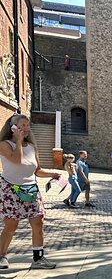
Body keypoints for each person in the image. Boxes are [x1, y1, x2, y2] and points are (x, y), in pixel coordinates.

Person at [0, 114, 61, 269]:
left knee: (38, 222)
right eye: (22, 125)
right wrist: (19, 141)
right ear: (13, 127)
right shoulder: (4, 144)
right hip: (11, 189)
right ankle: (1, 255)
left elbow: (37, 170)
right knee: (11, 225)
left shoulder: (32, 147)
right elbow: (16, 160)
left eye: (27, 125)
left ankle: (38, 258)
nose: (26, 128)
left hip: (31, 189)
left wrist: (52, 174)